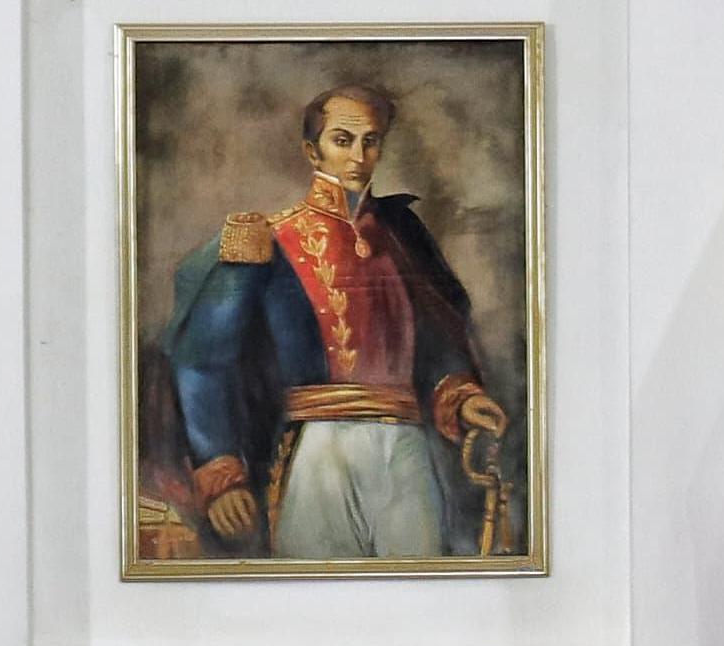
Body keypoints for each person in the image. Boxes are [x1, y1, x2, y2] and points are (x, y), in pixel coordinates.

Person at [162, 82, 511, 563]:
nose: (359, 156)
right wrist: (221, 471)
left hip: (406, 450)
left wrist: (462, 395)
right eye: (342, 140)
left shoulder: (404, 237)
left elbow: (434, 338)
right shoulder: (267, 238)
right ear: (313, 150)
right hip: (318, 452)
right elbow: (205, 359)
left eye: (371, 141)